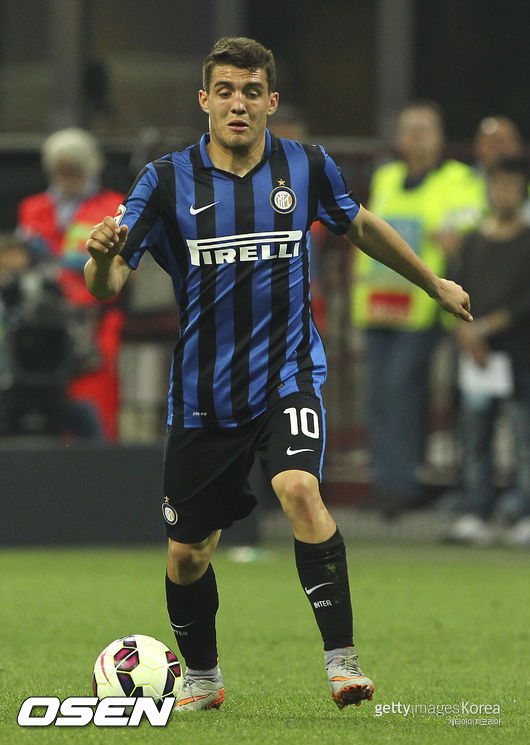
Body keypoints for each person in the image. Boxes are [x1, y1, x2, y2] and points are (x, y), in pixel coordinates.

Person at [84, 38, 473, 712]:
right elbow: (109, 283)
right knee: (188, 555)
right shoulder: (165, 180)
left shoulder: (307, 165)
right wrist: (98, 257)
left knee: (298, 487)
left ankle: (343, 665)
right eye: (225, 91)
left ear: (271, 101)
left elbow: (361, 226)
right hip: (204, 396)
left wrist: (433, 282)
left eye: (251, 91)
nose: (238, 103)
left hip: (288, 373)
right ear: (205, 100)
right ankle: (203, 679)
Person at [351, 100, 484, 515]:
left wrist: (455, 238)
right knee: (377, 398)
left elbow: (472, 225)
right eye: (409, 128)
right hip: (376, 305)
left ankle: (400, 485)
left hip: (418, 309)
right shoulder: (386, 177)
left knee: (402, 393)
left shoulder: (458, 179)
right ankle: (383, 482)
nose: (416, 137)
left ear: (440, 137)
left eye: (425, 129)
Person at [18, 128, 125, 440]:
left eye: (73, 169)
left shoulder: (113, 207)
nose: (65, 176)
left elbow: (123, 264)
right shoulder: (33, 207)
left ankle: (98, 460)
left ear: (89, 168)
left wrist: (58, 259)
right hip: (40, 320)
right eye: (59, 169)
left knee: (94, 398)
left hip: (94, 320)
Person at [445, 157, 530, 546]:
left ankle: (524, 515)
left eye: (511, 186)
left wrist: (486, 327)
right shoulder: (472, 241)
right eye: (498, 185)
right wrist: (468, 334)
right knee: (474, 435)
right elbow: (453, 288)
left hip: (518, 354)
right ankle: (475, 513)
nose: (504, 193)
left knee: (522, 437)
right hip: (476, 356)